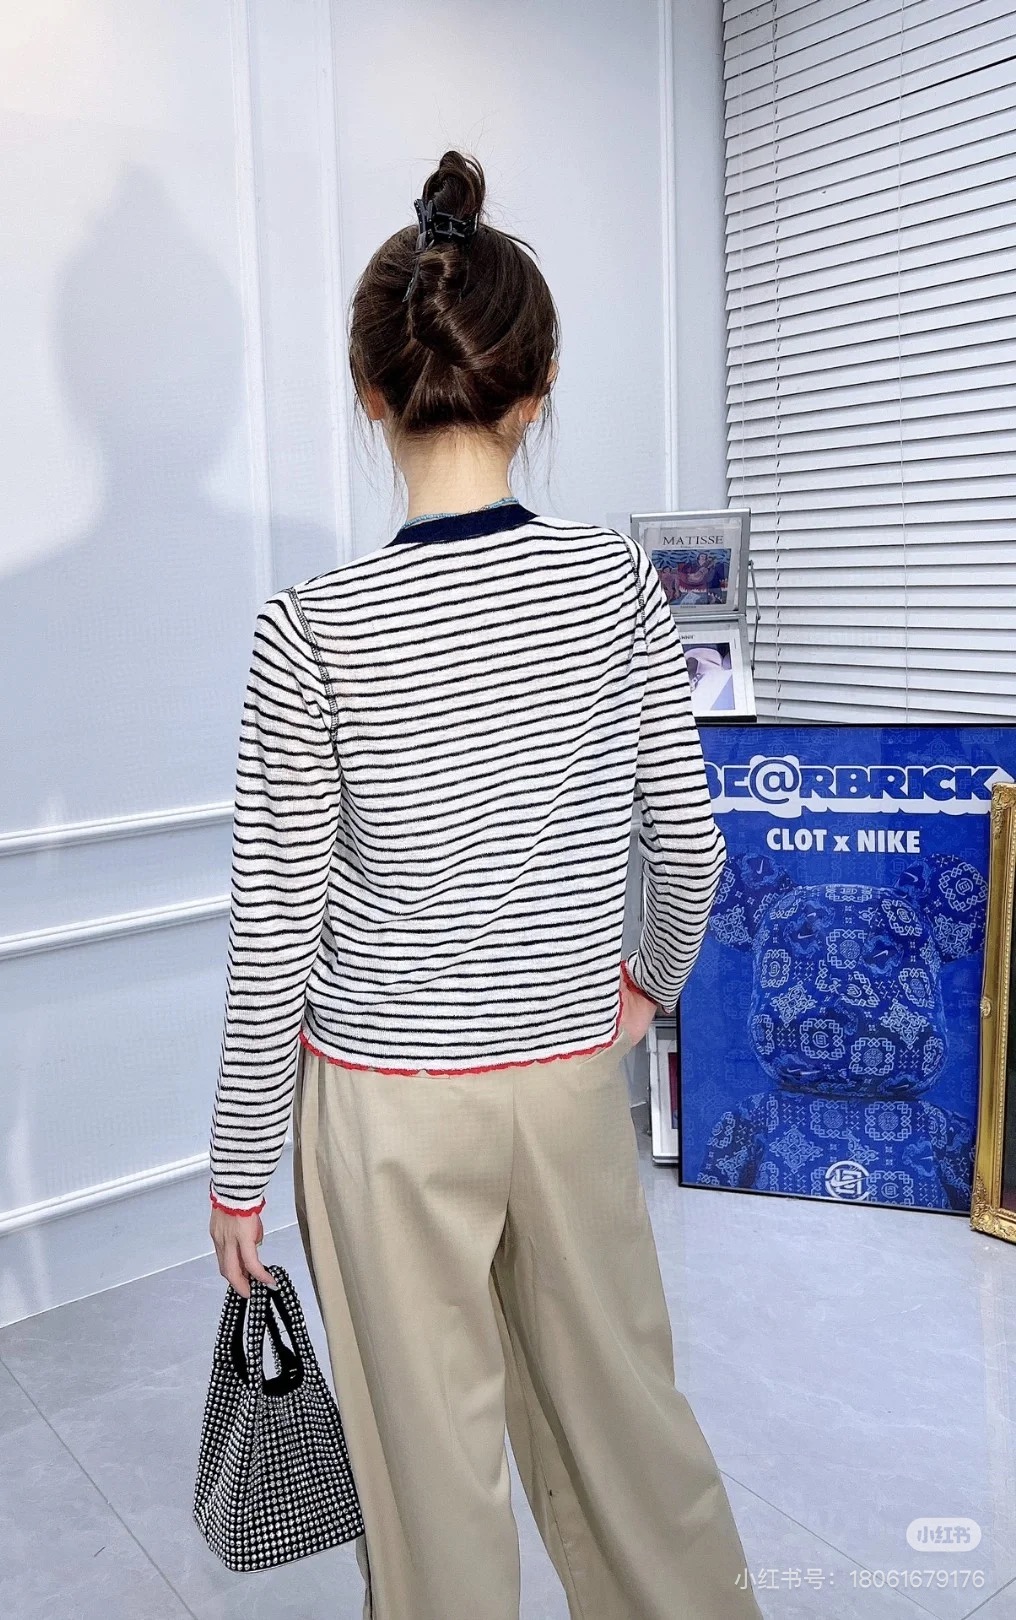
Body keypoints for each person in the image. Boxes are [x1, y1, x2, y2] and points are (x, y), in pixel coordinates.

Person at [207, 150, 763, 1620]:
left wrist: (237, 1165)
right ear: (541, 385)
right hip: (568, 1075)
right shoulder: (617, 586)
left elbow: (275, 930)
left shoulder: (308, 627)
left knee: (430, 1473)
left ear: (369, 393)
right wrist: (645, 984)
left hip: (383, 1099)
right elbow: (690, 845)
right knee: (629, 1431)